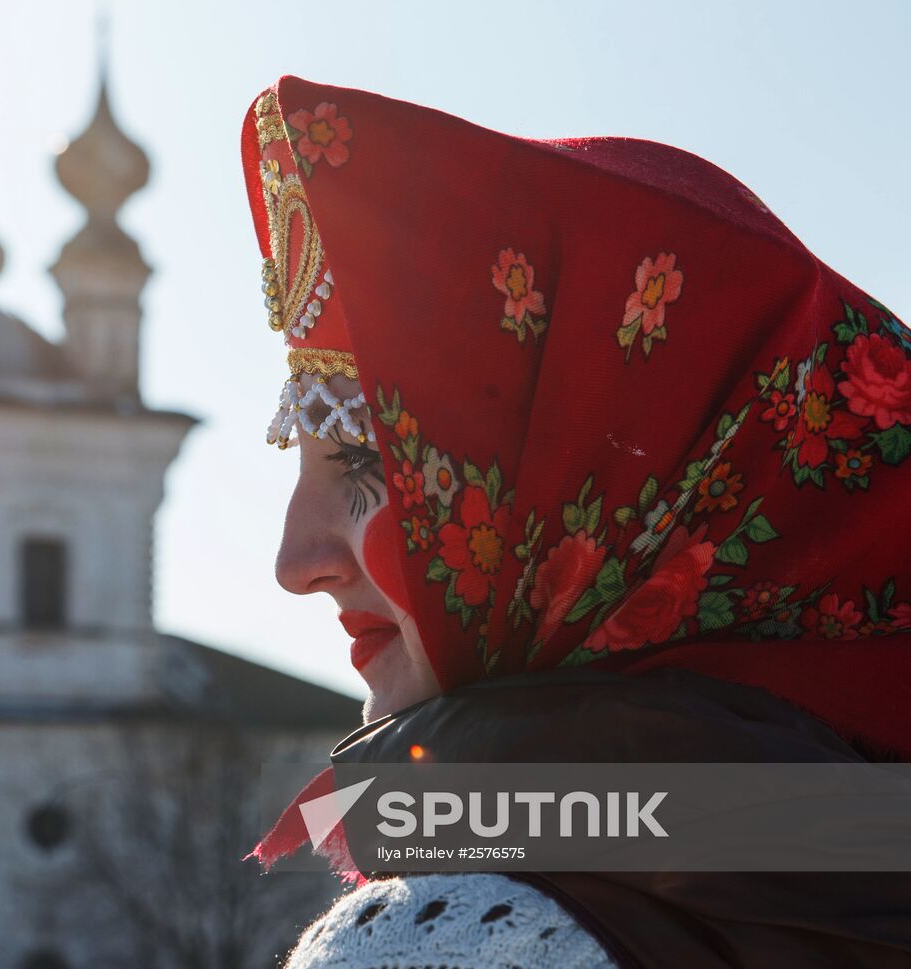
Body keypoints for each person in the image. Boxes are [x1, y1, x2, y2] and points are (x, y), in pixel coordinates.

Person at [243, 76, 911, 967]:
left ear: (598, 487)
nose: (295, 560)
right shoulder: (867, 844)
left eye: (372, 462)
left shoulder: (449, 935)